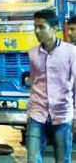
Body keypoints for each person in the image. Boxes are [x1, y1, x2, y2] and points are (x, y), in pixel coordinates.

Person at [26, 9, 76, 163]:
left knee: (63, 160)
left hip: (62, 115)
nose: (37, 31)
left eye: (41, 27)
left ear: (54, 29)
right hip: (37, 114)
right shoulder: (32, 53)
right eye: (35, 27)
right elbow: (35, 81)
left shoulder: (71, 52)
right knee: (33, 159)